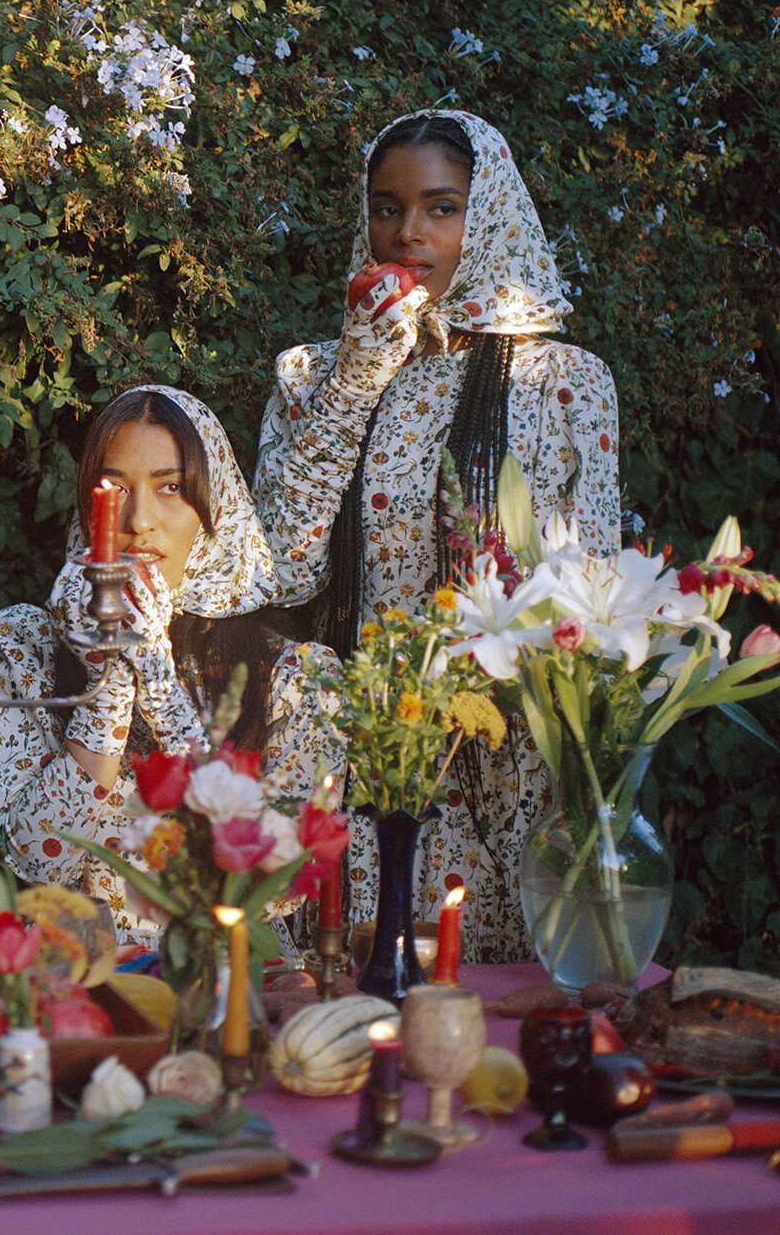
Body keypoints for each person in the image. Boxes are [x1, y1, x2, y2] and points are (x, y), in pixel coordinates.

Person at [252, 109, 620, 962]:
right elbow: (284, 567)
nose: (406, 233)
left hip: (501, 766)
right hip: (349, 761)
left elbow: (593, 608)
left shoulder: (565, 385)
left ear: (484, 217)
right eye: (387, 207)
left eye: (440, 208)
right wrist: (356, 376)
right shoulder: (310, 375)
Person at [0, 385, 345, 944]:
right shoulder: (25, 644)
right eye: (113, 488)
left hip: (228, 986)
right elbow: (37, 861)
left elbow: (270, 888)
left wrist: (157, 676)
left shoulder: (295, 676)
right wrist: (107, 681)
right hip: (77, 983)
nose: (138, 520)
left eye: (171, 488)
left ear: (212, 502)